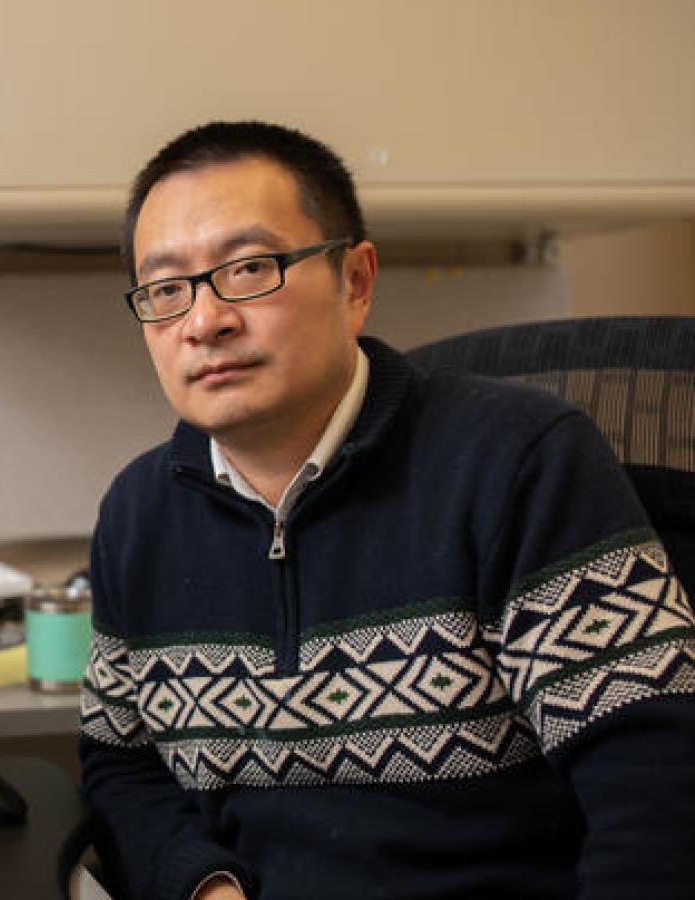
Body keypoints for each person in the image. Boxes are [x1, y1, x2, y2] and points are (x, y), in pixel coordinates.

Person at [79, 121, 695, 900]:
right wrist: (202, 885)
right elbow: (121, 763)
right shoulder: (140, 515)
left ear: (356, 282)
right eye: (166, 290)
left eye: (249, 268)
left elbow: (658, 789)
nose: (204, 321)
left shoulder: (518, 462)